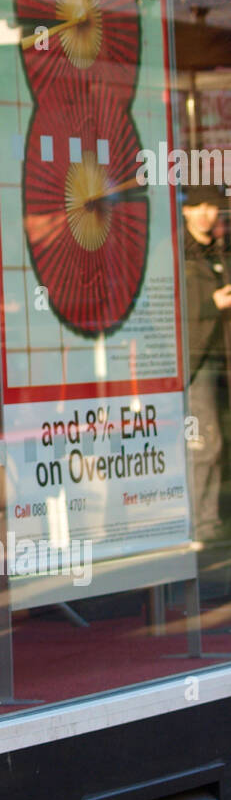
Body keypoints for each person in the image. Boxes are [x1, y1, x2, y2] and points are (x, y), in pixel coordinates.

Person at [181, 182, 231, 546]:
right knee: (205, 443)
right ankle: (202, 524)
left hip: (219, 358)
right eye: (196, 206)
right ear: (184, 210)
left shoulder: (217, 251)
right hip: (195, 363)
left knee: (215, 440)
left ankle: (210, 520)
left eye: (211, 207)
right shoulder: (178, 255)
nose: (205, 213)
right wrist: (213, 302)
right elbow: (175, 311)